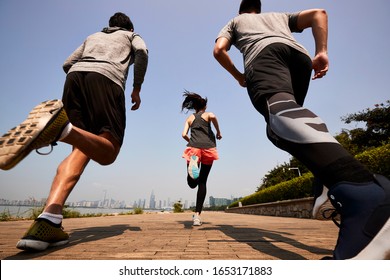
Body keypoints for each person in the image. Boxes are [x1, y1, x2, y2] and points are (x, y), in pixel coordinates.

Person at [213, 0, 390, 259]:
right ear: (258, 8)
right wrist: (322, 52)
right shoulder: (279, 17)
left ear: (241, 9)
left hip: (263, 56)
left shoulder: (235, 21)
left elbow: (219, 50)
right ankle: (326, 185)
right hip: (299, 57)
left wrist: (239, 75)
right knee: (288, 121)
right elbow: (318, 14)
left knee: (280, 117)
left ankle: (365, 194)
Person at [0, 12, 148, 251]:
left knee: (81, 150)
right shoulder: (132, 36)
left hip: (74, 78)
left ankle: (48, 221)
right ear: (129, 27)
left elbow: (67, 63)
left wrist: (82, 76)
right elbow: (142, 52)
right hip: (106, 80)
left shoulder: (93, 36)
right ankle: (63, 129)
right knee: (108, 151)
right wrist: (136, 88)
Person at [181, 91, 222, 226]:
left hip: (194, 148)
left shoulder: (191, 118)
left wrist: (191, 140)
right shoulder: (208, 114)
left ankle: (192, 175)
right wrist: (218, 132)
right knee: (203, 182)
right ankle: (197, 216)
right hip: (208, 149)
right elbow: (214, 116)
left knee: (192, 183)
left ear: (195, 107)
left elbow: (183, 134)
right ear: (205, 106)